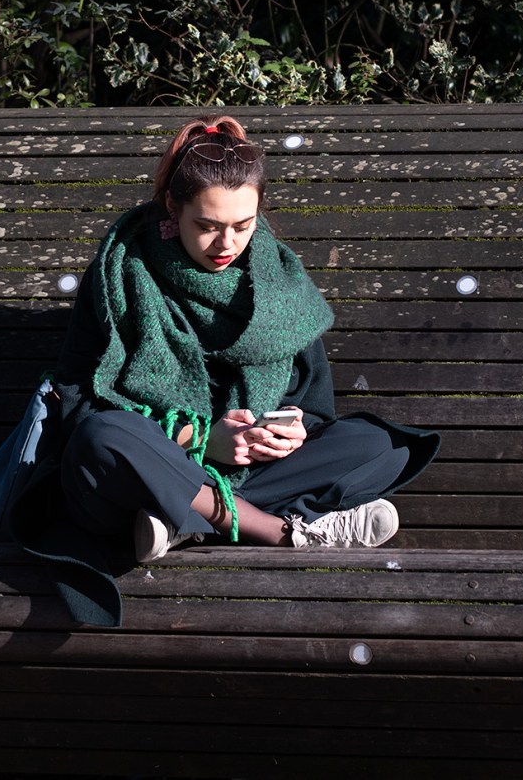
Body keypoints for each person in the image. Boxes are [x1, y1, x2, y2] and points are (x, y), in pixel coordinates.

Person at [51, 115, 440, 574]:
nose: (226, 243)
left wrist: (291, 432)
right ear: (173, 209)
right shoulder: (119, 274)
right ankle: (281, 532)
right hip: (140, 470)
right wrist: (200, 441)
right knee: (103, 438)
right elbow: (76, 407)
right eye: (208, 225)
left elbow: (315, 410)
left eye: (243, 225)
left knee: (382, 445)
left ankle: (183, 520)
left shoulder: (279, 287)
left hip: (218, 483)